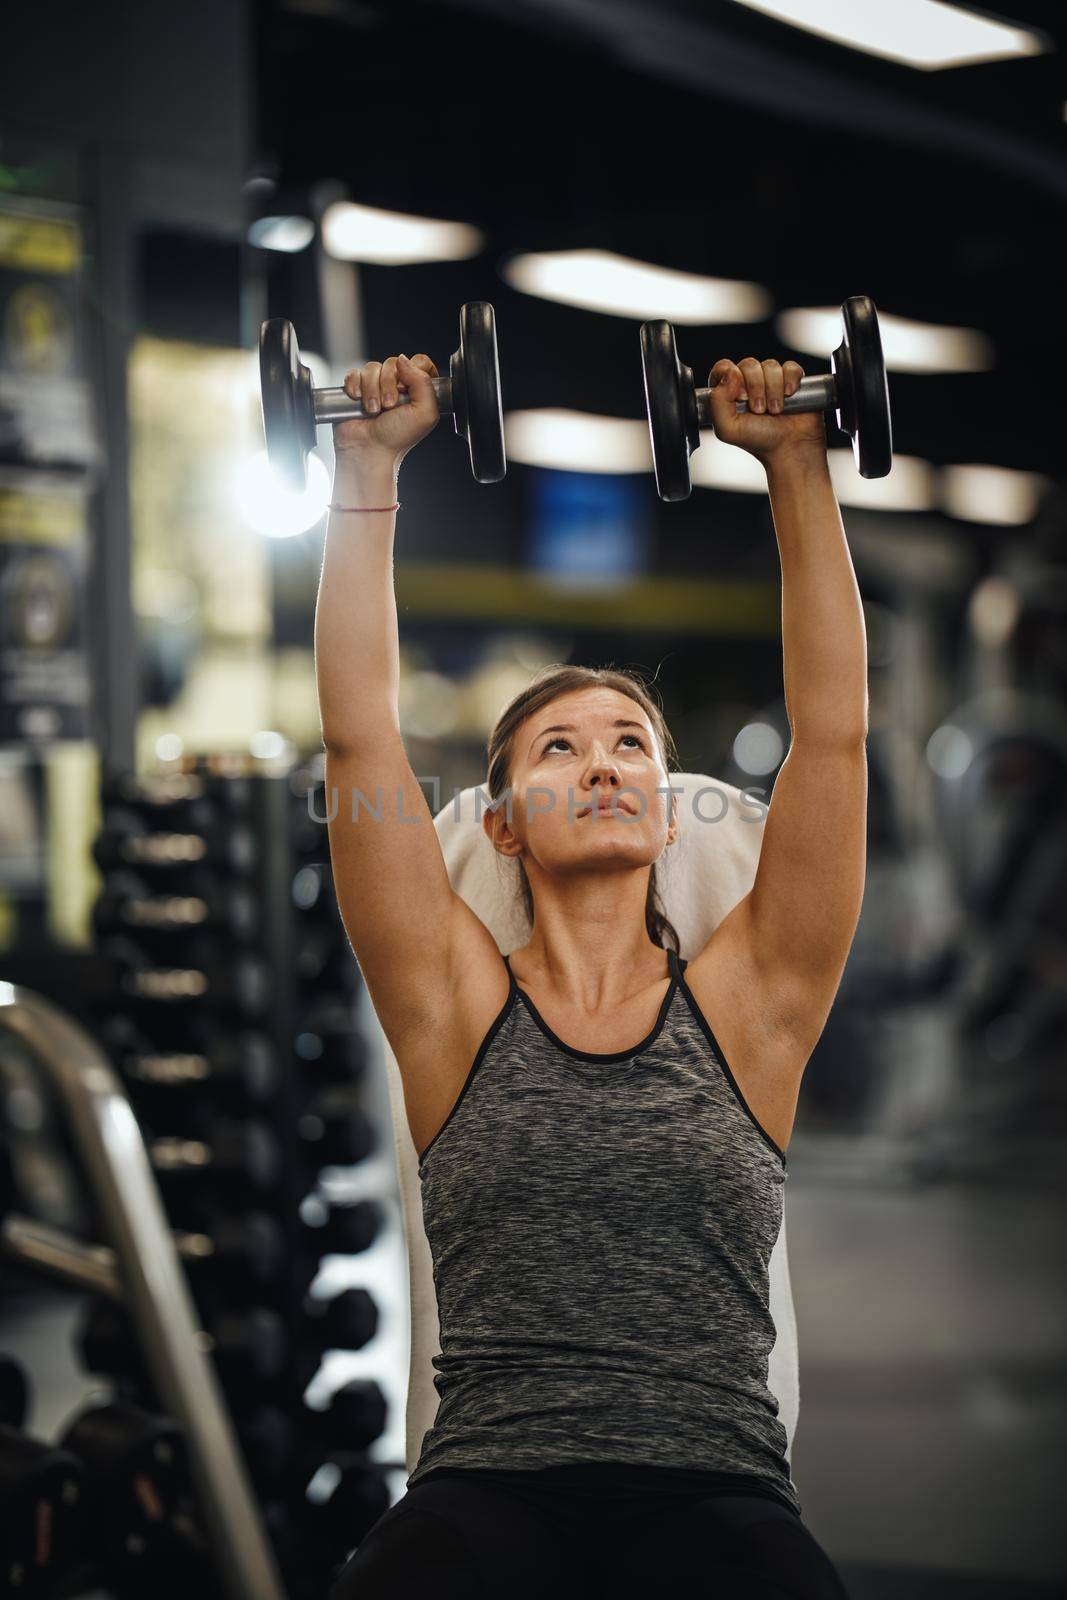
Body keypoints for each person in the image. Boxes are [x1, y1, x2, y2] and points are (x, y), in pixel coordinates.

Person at [318, 345, 864, 1598]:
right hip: (486, 1486)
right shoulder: (451, 1010)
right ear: (500, 822)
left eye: (629, 743)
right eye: (557, 749)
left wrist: (794, 467)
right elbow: (359, 733)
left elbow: (832, 732)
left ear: (669, 814)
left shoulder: (751, 1005)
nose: (605, 762)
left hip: (717, 1488)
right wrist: (364, 475)